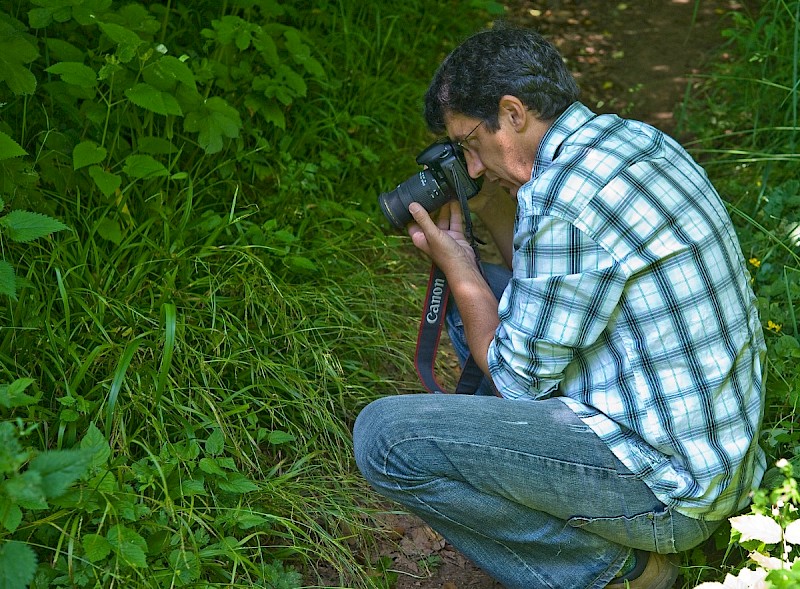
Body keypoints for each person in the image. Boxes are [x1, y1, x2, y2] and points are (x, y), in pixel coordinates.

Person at [353, 25, 766, 589]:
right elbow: (543, 291)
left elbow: (515, 380)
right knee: (476, 299)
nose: (472, 167)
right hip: (714, 459)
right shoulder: (632, 140)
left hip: (671, 492)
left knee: (385, 437)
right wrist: (493, 212)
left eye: (471, 144)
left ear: (513, 112)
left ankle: (619, 572)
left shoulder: (565, 200)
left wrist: (459, 266)